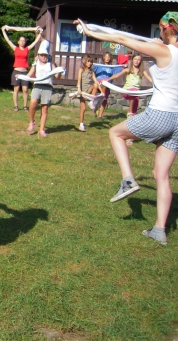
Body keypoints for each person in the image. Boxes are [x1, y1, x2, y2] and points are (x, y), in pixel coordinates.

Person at [75, 15, 178, 245]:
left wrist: (89, 32)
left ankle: (128, 180)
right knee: (161, 175)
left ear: (164, 28)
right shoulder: (167, 49)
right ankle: (159, 230)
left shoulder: (163, 51)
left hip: (161, 114)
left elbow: (122, 38)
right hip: (177, 120)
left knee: (115, 133)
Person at [105, 53, 153, 146]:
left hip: (136, 95)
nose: (137, 61)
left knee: (134, 116)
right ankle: (129, 112)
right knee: (134, 94)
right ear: (132, 60)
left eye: (139, 60)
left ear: (140, 61)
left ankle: (129, 138)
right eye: (135, 59)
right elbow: (117, 76)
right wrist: (107, 80)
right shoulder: (128, 70)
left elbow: (151, 80)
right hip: (127, 91)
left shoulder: (142, 72)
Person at [1, 26, 43, 111]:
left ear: (25, 42)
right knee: (16, 90)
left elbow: (35, 42)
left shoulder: (27, 49)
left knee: (25, 90)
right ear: (18, 42)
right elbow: (8, 40)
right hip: (16, 71)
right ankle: (16, 106)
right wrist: (3, 31)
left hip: (25, 72)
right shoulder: (15, 48)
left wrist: (40, 33)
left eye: (24, 41)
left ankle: (25, 106)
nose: (22, 42)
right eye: (21, 40)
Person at [26, 41, 62, 137]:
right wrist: (21, 76)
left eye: (45, 55)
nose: (44, 57)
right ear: (38, 55)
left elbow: (57, 76)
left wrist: (60, 71)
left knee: (44, 108)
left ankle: (41, 130)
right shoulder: (36, 64)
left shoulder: (51, 64)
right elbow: (29, 75)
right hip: (37, 85)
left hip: (47, 87)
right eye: (42, 55)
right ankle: (31, 122)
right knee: (33, 103)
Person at [76, 54, 104, 132]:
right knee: (83, 108)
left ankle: (92, 101)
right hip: (82, 91)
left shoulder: (92, 71)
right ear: (85, 61)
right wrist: (79, 89)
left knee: (95, 85)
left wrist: (102, 91)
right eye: (88, 61)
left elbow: (96, 81)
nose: (90, 63)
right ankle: (81, 124)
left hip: (89, 90)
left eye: (91, 62)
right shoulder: (81, 69)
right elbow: (79, 79)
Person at [93, 52, 119, 120]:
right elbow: (92, 70)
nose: (107, 58)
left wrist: (124, 66)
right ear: (103, 57)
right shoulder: (99, 65)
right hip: (99, 84)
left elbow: (118, 72)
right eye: (106, 56)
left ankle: (100, 115)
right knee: (102, 95)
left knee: (104, 100)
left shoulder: (112, 67)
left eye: (109, 57)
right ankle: (95, 103)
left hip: (107, 86)